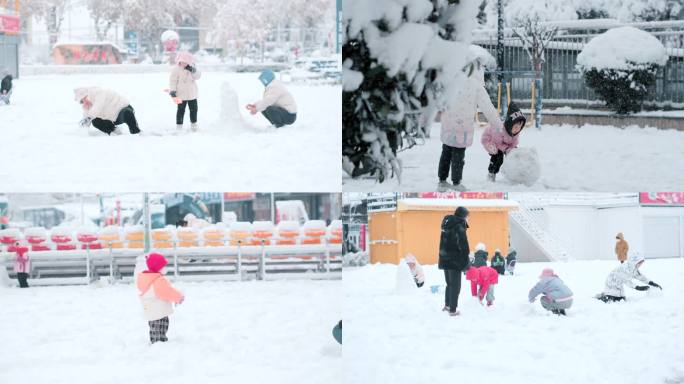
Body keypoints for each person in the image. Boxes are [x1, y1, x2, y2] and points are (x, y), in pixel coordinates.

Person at [437, 59, 502, 191]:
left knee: (446, 152)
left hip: (448, 123)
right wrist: (497, 124)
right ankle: (456, 183)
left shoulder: (452, 81)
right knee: (458, 156)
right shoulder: (476, 86)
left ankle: (442, 181)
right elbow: (487, 106)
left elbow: (440, 96)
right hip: (463, 127)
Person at [136, 253, 184, 343]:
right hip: (158, 310)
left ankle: (158, 342)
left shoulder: (148, 278)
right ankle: (158, 344)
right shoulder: (158, 280)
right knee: (160, 328)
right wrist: (178, 297)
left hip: (153, 310)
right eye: (163, 266)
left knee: (155, 328)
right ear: (157, 268)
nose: (165, 268)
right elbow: (167, 292)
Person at [481, 102, 526, 182]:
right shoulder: (500, 130)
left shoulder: (515, 133)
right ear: (509, 124)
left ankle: (516, 173)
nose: (517, 129)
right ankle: (491, 173)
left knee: (515, 154)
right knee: (498, 157)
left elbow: (513, 144)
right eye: (515, 126)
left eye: (520, 127)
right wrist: (506, 149)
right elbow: (498, 143)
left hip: (504, 144)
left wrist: (511, 150)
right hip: (491, 141)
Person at [438, 206, 470, 316]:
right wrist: (465, 260)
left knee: (449, 284)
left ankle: (447, 305)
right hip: (454, 260)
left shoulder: (447, 223)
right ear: (463, 216)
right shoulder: (459, 225)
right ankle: (453, 309)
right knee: (455, 285)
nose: (467, 218)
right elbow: (463, 244)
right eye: (467, 216)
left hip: (445, 259)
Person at [74, 87, 141, 135]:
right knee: (95, 121)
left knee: (127, 113)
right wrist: (84, 124)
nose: (84, 102)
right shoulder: (88, 105)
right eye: (81, 101)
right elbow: (87, 118)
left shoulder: (99, 93)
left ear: (88, 95)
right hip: (111, 118)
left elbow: (98, 107)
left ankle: (136, 133)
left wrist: (88, 117)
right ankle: (114, 132)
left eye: (85, 98)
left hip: (121, 111)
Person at [596, 256, 662, 303]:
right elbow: (627, 281)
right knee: (613, 300)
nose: (640, 265)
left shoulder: (633, 268)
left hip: (619, 285)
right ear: (635, 262)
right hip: (612, 282)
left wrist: (651, 283)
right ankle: (603, 297)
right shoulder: (625, 268)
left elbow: (641, 277)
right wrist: (638, 287)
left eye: (641, 263)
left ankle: (605, 295)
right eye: (640, 263)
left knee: (622, 299)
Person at [169, 51, 202, 132]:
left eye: (186, 62)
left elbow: (198, 76)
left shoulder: (192, 67)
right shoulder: (176, 69)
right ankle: (179, 125)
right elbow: (172, 80)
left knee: (194, 109)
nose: (184, 64)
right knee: (180, 110)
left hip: (192, 94)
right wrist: (173, 90)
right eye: (182, 62)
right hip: (180, 94)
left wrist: (193, 70)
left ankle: (194, 124)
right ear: (179, 61)